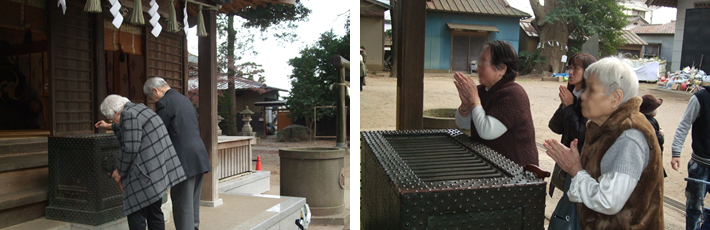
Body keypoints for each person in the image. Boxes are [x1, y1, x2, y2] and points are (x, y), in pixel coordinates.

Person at [544, 56, 664, 229]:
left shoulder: (629, 137)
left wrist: (575, 170)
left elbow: (608, 200)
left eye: (591, 90)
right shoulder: (604, 127)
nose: (583, 95)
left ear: (616, 97)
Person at [95, 95, 186, 230]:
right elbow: (131, 128)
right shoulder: (140, 109)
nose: (113, 120)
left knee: (135, 213)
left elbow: (130, 147)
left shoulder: (128, 115)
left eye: (112, 118)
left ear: (115, 112)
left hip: (145, 174)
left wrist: (119, 171)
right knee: (154, 212)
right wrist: (109, 125)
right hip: (156, 170)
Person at [454, 40, 538, 167]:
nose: (478, 67)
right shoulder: (483, 90)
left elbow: (487, 131)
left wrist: (474, 100)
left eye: (483, 63)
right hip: (494, 166)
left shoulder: (513, 94)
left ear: (502, 69)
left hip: (518, 172)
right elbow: (463, 124)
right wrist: (466, 105)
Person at [143, 77, 211, 230]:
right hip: (198, 156)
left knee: (182, 205)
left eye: (151, 97)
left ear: (155, 90)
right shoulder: (183, 99)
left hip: (182, 161)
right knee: (192, 203)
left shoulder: (164, 103)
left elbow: (159, 132)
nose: (153, 101)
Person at [547, 53, 595, 230]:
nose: (571, 72)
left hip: (583, 162)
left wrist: (569, 107)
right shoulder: (573, 94)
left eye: (576, 68)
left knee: (574, 205)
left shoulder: (592, 99)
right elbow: (555, 126)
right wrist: (566, 105)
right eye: (570, 67)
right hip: (569, 160)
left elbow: (582, 134)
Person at [669, 87, 710, 230]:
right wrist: (676, 153)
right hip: (700, 165)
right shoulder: (700, 98)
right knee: (694, 208)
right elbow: (684, 125)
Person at [640, 94, 667, 178]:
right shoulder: (649, 122)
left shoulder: (640, 118)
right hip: (651, 157)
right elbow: (657, 139)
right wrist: (661, 134)